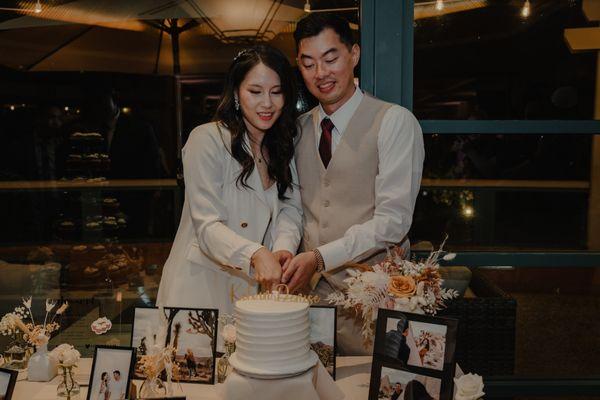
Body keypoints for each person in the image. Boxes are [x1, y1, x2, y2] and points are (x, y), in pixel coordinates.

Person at [282, 13, 424, 355]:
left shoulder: (394, 122)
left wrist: (319, 257)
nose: (321, 73)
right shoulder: (298, 129)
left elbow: (394, 221)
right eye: (309, 63)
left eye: (331, 59)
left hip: (372, 303)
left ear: (354, 55)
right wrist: (285, 248)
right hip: (310, 305)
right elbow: (292, 205)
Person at [156, 45, 303, 347]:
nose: (267, 103)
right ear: (236, 93)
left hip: (253, 290)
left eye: (276, 92)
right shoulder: (206, 139)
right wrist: (255, 253)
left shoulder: (281, 144)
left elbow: (291, 207)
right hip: (201, 284)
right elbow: (207, 225)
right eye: (255, 91)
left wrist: (283, 249)